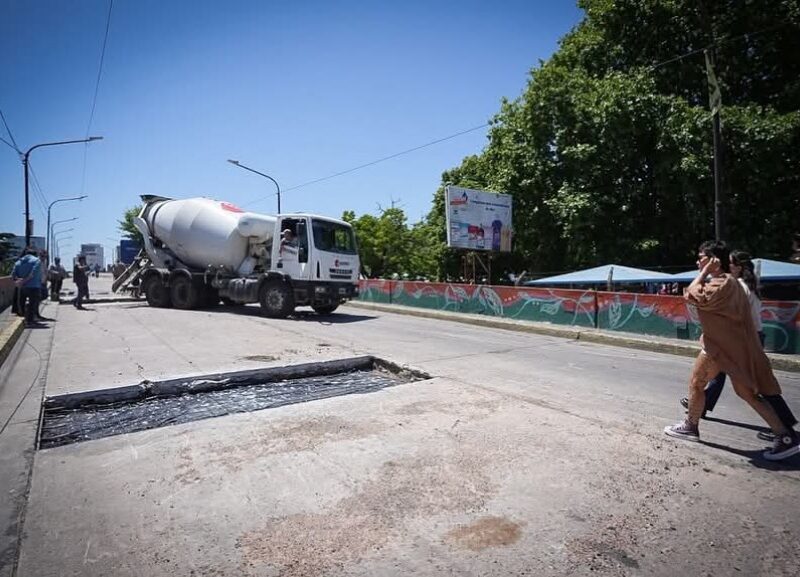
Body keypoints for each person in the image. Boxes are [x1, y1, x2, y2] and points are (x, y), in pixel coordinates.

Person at [664, 240, 799, 461]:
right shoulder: (732, 283)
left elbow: (692, 294)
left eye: (702, 257)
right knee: (747, 394)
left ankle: (690, 426)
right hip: (734, 347)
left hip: (719, 347)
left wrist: (704, 272)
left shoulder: (722, 283)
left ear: (715, 260)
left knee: (696, 383)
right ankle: (785, 437)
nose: (698, 261)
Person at [678, 251, 772, 420]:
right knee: (722, 378)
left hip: (738, 337)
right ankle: (700, 408)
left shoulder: (737, 286)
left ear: (739, 267)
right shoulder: (748, 285)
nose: (727, 266)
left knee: (748, 388)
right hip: (745, 336)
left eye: (731, 263)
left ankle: (783, 427)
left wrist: (705, 272)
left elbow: (693, 295)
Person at [11, 247, 44, 327]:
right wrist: (25, 280)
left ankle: (23, 318)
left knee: (21, 303)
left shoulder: (18, 262)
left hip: (22, 287)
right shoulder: (36, 261)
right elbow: (32, 273)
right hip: (34, 286)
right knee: (33, 304)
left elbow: (13, 275)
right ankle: (30, 321)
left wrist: (19, 281)